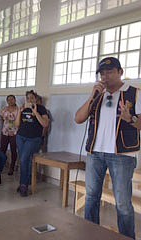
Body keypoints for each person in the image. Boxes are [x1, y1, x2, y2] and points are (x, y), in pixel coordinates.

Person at [75, 57, 140, 239]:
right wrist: (92, 96)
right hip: (95, 154)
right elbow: (78, 118)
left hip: (122, 155)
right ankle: (90, 234)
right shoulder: (98, 95)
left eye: (110, 72)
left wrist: (131, 119)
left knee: (123, 204)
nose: (105, 76)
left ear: (121, 72)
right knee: (91, 197)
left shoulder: (134, 93)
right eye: (102, 73)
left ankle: (127, 237)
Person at [15, 90, 49, 197]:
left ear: (36, 99)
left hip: (33, 139)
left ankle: (24, 185)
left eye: (32, 98)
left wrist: (36, 113)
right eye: (28, 98)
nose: (30, 100)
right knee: (23, 160)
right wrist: (19, 112)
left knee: (25, 159)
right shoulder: (23, 108)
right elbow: (17, 125)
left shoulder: (41, 109)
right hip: (21, 137)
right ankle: (24, 182)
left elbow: (45, 124)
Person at [0, 95, 19, 175]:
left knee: (13, 150)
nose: (10, 101)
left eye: (12, 99)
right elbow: (1, 118)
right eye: (9, 100)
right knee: (2, 149)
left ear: (15, 100)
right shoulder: (4, 109)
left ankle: (12, 167)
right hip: (5, 131)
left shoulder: (18, 110)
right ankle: (1, 165)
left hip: (14, 132)